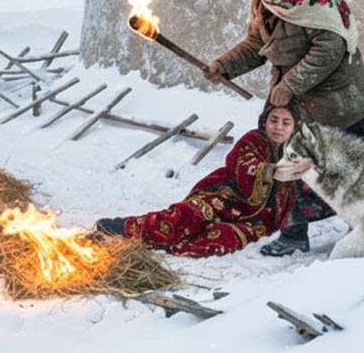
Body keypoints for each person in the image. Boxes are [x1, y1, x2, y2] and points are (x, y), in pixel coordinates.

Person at [203, 0, 364, 256]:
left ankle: (361, 230)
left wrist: (288, 85)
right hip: (292, 98)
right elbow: (258, 43)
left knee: (346, 168)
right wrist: (225, 65)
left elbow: (330, 46)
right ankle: (294, 232)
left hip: (337, 100)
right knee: (282, 158)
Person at [93, 104, 332, 257]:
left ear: (295, 127)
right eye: (273, 120)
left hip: (253, 221)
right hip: (222, 199)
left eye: (285, 122)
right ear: (264, 122)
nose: (278, 127)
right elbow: (244, 164)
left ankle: (159, 246)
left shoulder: (301, 151)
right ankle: (121, 228)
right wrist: (271, 172)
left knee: (217, 242)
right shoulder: (253, 139)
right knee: (182, 220)